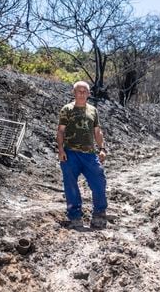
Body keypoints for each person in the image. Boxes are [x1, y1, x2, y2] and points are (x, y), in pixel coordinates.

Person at [56, 81, 108, 229]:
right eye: (79, 91)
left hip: (90, 155)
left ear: (89, 94)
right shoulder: (67, 109)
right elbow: (60, 131)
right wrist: (61, 150)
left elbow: (97, 131)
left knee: (99, 183)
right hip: (70, 154)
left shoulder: (93, 111)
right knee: (70, 186)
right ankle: (75, 217)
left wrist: (102, 148)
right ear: (74, 93)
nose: (82, 94)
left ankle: (99, 214)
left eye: (85, 91)